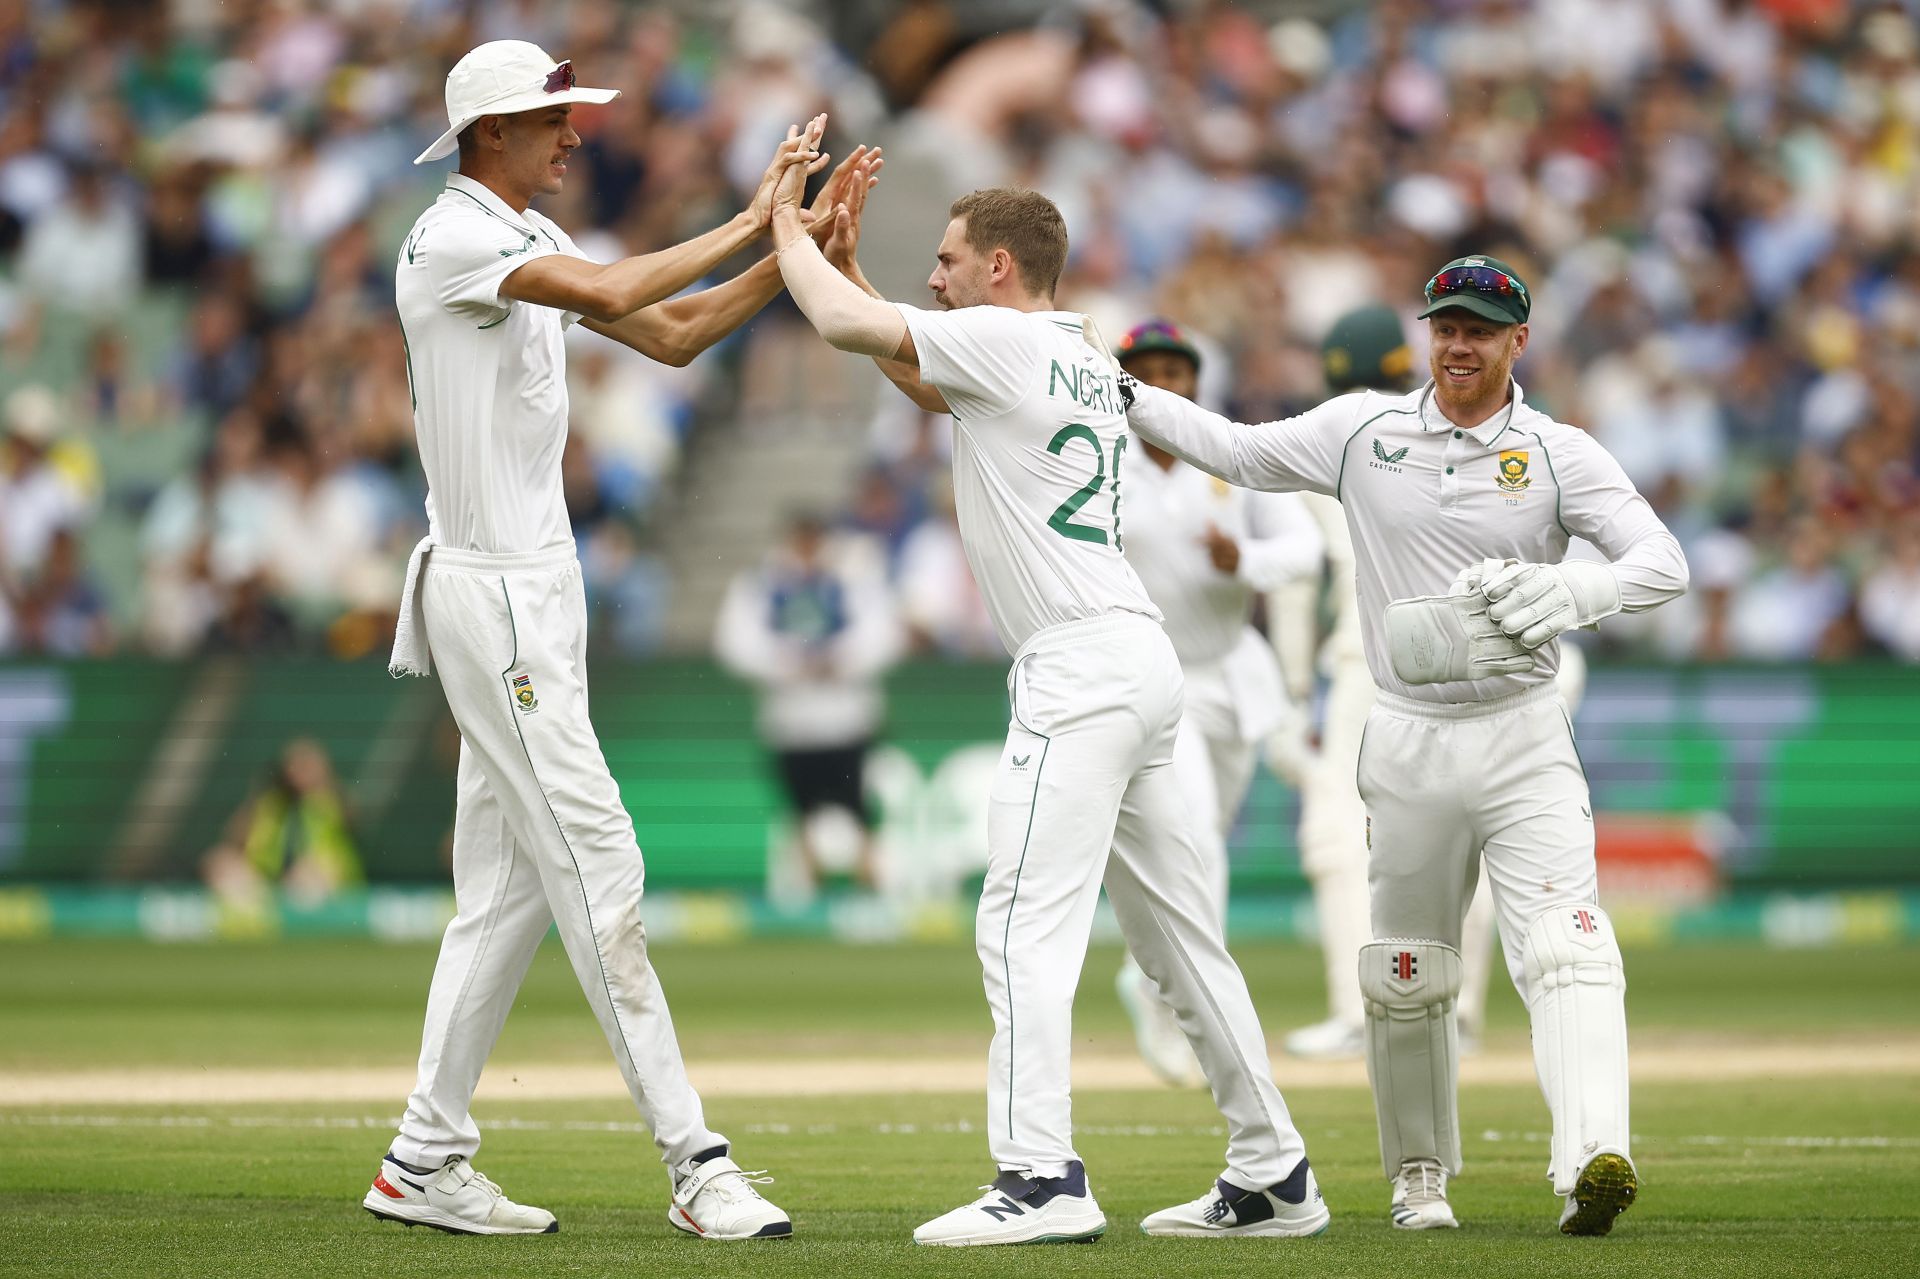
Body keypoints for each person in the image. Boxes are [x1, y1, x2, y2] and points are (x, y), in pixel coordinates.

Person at [772, 172, 1328, 1245]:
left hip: (1077, 667)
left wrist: (788, 234)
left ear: (997, 267)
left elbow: (845, 327)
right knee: (1178, 941)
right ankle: (1273, 1170)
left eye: (944, 259)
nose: (930, 277)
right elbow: (927, 381)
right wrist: (845, 265)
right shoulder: (1074, 353)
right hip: (1142, 657)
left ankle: (1040, 1176)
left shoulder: (1007, 341)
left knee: (1022, 919)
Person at [371, 40, 865, 1240]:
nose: (574, 136)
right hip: (494, 596)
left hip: (536, 590)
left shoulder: (521, 237)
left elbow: (674, 332)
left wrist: (796, 261)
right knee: (603, 872)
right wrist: (756, 219)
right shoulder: (453, 242)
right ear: (493, 133)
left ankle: (424, 1159)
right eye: (553, 120)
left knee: (503, 899)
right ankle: (699, 1164)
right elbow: (612, 297)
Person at [1117, 256, 1688, 1237]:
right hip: (1410, 734)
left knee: (1568, 948)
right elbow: (1237, 451)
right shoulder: (1361, 430)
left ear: (1519, 342)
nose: (1457, 345)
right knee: (1408, 972)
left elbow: (1663, 561)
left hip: (1523, 735)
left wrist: (1582, 590)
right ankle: (1419, 1178)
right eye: (1444, 327)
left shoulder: (1559, 453)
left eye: (1479, 330)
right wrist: (1110, 387)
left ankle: (1594, 1153)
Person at [1109, 318, 1322, 1086]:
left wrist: (1248, 559)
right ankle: (1174, 1004)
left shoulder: (1226, 452)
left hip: (1232, 672)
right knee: (1192, 836)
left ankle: (1153, 979)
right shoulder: (1100, 459)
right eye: (1148, 370)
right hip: (1157, 680)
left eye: (1176, 370)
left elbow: (1304, 548)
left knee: (1206, 844)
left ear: (1196, 380)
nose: (1163, 383)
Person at [714, 512, 904, 892]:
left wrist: (839, 660)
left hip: (847, 718)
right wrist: (788, 663)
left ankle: (871, 875)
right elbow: (734, 643)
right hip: (791, 722)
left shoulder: (853, 581)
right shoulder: (762, 585)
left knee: (861, 804)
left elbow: (885, 635)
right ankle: (807, 879)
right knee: (798, 807)